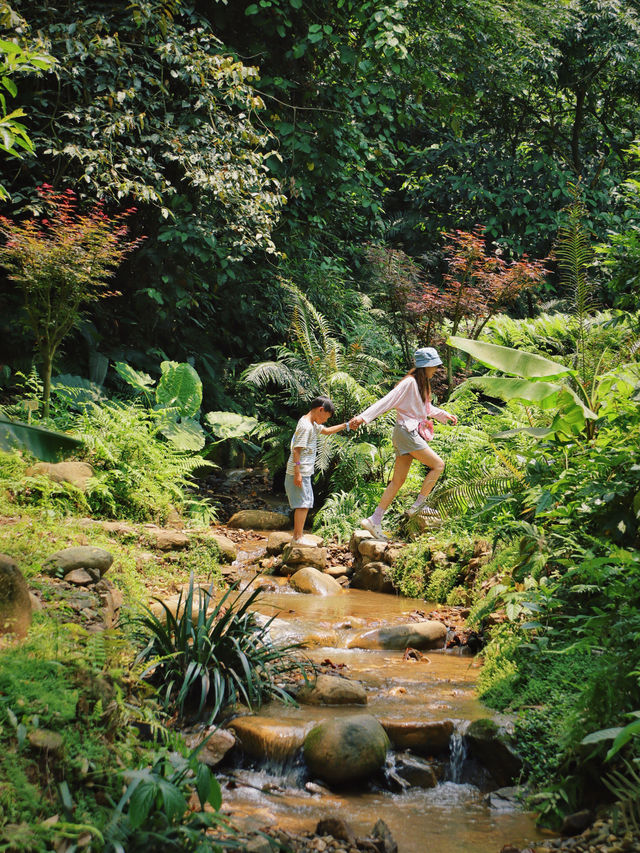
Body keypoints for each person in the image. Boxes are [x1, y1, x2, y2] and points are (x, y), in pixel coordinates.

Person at [350, 346, 458, 541]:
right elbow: (386, 401)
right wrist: (363, 418)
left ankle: (375, 519)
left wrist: (444, 414)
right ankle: (418, 506)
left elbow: (425, 407)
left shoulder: (421, 385)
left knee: (398, 481)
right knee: (438, 465)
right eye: (433, 365)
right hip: (407, 432)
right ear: (425, 366)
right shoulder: (409, 383)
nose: (435, 369)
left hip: (406, 432)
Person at [285, 396, 351, 545]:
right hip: (299, 471)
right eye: (325, 417)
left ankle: (298, 536)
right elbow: (296, 450)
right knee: (303, 504)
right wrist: (297, 473)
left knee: (305, 503)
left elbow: (326, 431)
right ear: (320, 410)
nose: (325, 421)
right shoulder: (306, 426)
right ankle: (297, 538)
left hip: (304, 471)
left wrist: (346, 425)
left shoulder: (312, 423)